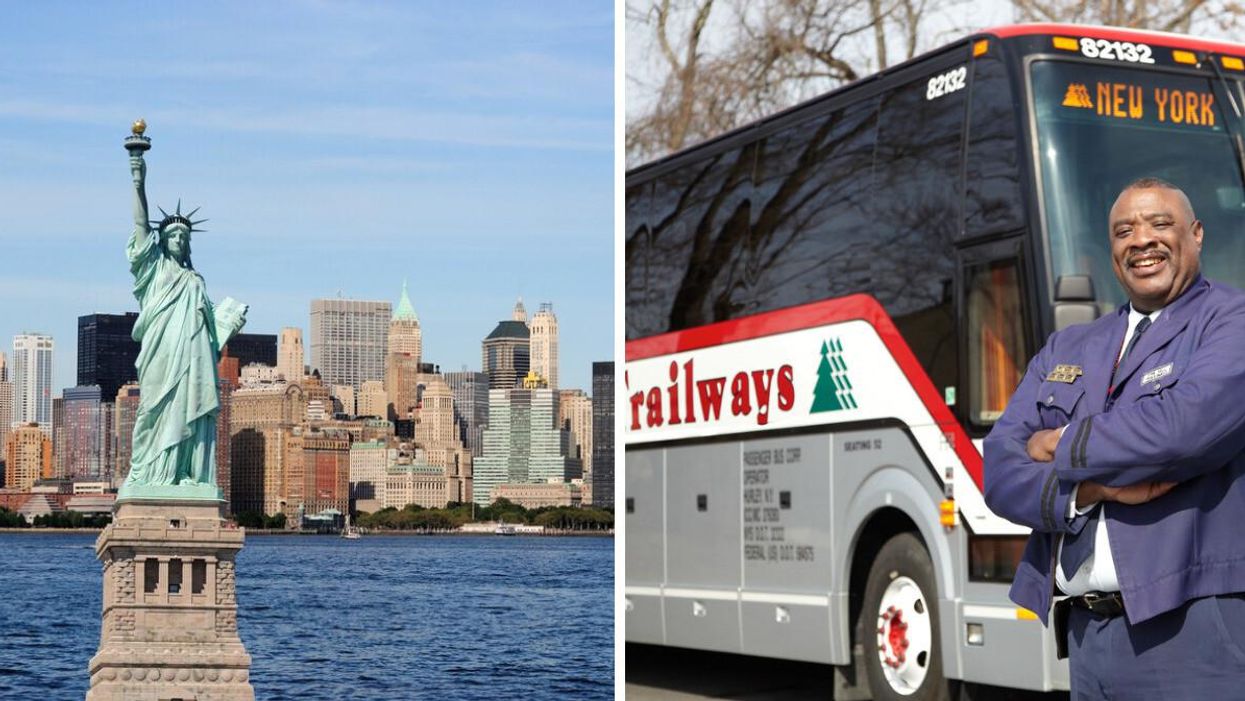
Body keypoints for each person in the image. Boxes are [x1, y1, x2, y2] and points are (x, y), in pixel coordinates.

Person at [984, 177, 1245, 699]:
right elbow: (999, 467)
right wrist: (1089, 492)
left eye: (1160, 224)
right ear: (1112, 253)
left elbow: (1181, 431)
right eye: (1124, 230)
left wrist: (1059, 444)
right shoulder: (1070, 344)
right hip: (1086, 638)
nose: (1142, 239)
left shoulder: (1230, 321)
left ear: (1196, 234)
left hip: (1192, 630)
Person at [120, 147, 246, 494]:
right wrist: (137, 178)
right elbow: (140, 222)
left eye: (182, 237)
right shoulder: (153, 268)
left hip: (193, 357)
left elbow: (207, 335)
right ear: (162, 240)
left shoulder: (195, 281)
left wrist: (227, 326)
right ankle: (149, 474)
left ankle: (186, 475)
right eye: (172, 235)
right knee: (154, 411)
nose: (177, 239)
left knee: (190, 409)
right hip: (161, 351)